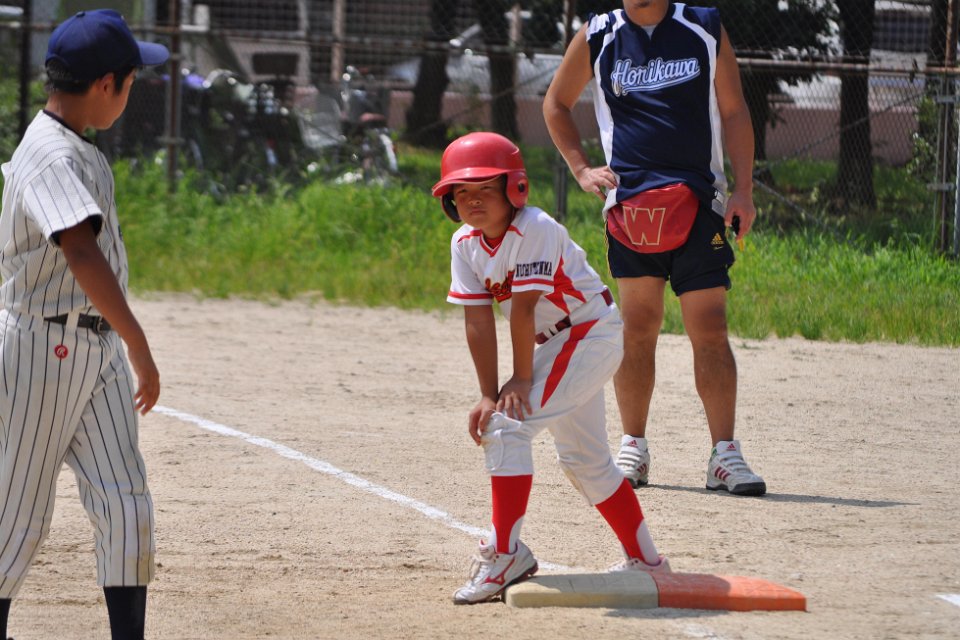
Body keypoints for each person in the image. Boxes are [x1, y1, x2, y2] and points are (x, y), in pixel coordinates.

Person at [433, 132, 669, 606]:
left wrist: (521, 379)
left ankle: (505, 555)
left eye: (485, 188)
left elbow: (522, 311)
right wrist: (487, 392)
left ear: (514, 189)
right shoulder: (464, 243)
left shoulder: (535, 227)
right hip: (559, 343)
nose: (472, 200)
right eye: (461, 192)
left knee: (505, 427)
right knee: (585, 461)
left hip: (589, 333)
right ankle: (647, 561)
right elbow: (478, 320)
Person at [543, 0, 766, 496]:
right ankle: (634, 447)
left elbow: (734, 110)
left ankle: (724, 454)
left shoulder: (703, 26)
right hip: (632, 208)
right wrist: (581, 168)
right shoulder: (599, 34)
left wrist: (744, 189)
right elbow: (555, 103)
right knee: (638, 326)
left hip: (698, 201)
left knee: (711, 327)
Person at [0, 10, 168, 639]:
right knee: (17, 517)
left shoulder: (76, 148)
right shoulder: (47, 153)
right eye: (130, 81)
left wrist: (121, 344)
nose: (130, 92)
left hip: (95, 349)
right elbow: (78, 249)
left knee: (126, 505)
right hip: (41, 346)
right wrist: (140, 343)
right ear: (104, 85)